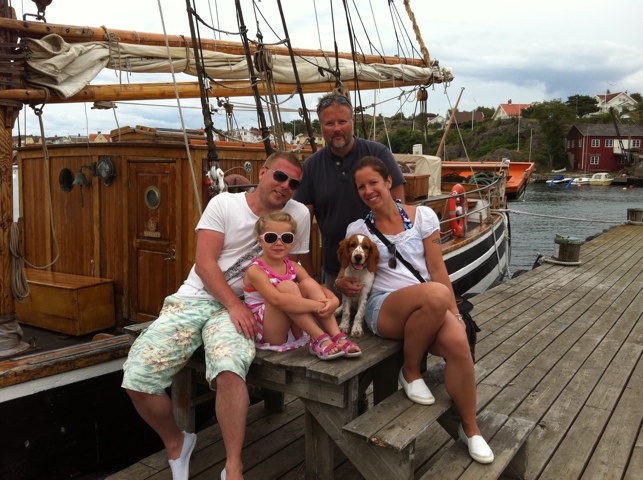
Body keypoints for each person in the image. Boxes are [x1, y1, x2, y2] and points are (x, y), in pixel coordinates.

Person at [122, 152, 311, 480]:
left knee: (229, 369)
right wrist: (233, 305)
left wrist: (313, 308)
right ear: (263, 172)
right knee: (137, 378)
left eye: (294, 183)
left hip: (250, 304)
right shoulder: (224, 204)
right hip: (197, 298)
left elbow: (294, 270)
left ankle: (233, 465)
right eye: (280, 176)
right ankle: (177, 442)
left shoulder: (299, 214)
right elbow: (205, 263)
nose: (285, 186)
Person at [343, 156, 495, 464]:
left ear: (389, 181)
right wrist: (340, 284)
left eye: (373, 182)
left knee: (458, 344)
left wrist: (455, 316)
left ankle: (471, 428)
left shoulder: (423, 216)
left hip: (429, 304)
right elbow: (344, 272)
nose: (368, 191)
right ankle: (410, 370)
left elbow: (437, 269)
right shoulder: (358, 228)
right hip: (384, 305)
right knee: (436, 294)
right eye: (361, 187)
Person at [293, 92, 406, 294]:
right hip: (336, 271)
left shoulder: (378, 154)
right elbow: (302, 226)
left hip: (382, 270)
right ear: (321, 127)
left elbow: (399, 209)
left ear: (352, 122)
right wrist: (309, 277)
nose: (337, 128)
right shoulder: (311, 167)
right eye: (329, 123)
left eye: (342, 121)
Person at [243, 211, 361, 358]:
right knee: (287, 286)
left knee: (308, 283)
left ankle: (337, 336)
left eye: (286, 238)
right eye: (271, 237)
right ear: (260, 240)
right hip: (271, 333)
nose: (279, 243)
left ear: (292, 241)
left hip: (295, 328)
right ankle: (319, 338)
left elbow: (317, 288)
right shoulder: (255, 270)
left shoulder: (293, 266)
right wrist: (318, 306)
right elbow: (276, 300)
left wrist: (333, 300)